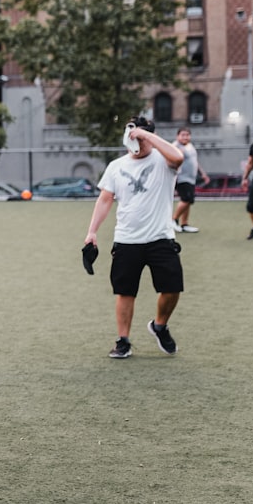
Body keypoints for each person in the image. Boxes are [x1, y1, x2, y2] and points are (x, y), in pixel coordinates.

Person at [84, 116, 185, 359]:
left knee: (172, 289)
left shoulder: (164, 160)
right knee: (125, 291)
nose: (137, 144)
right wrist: (92, 231)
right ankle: (123, 341)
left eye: (141, 138)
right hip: (127, 239)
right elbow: (105, 199)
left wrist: (146, 135)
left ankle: (159, 326)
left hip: (160, 237)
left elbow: (178, 157)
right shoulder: (116, 166)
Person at [172, 128, 210, 233]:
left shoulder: (190, 147)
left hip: (191, 178)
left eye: (187, 135)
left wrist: (203, 173)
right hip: (181, 178)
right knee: (186, 199)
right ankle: (173, 220)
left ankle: (184, 224)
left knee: (189, 201)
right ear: (177, 136)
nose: (185, 137)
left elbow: (195, 162)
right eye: (183, 135)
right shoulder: (175, 147)